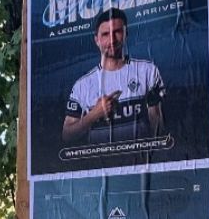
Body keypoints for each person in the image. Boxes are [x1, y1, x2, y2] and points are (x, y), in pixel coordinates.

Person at [61, 8, 165, 145]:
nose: (112, 39)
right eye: (105, 34)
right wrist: (94, 114)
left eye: (117, 32)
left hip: (140, 156)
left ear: (126, 33)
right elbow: (67, 134)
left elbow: (157, 121)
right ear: (96, 40)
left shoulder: (147, 71)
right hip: (101, 158)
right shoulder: (82, 85)